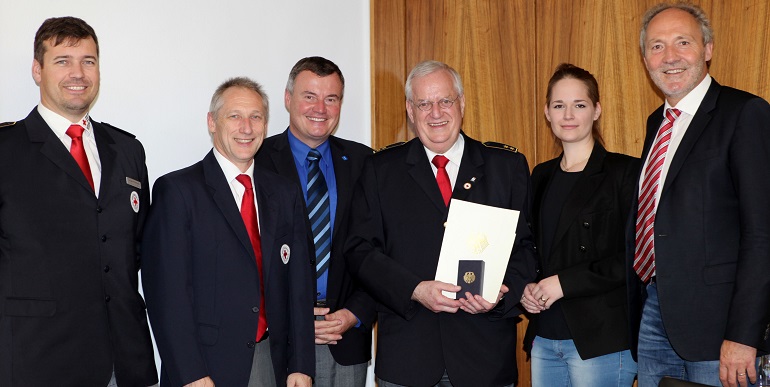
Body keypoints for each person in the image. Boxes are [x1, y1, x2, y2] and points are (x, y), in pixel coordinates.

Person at [344, 60, 538, 387]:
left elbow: (527, 249)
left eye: (445, 101)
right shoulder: (381, 170)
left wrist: (502, 295)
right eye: (424, 103)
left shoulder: (506, 167)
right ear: (410, 109)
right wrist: (414, 290)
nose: (436, 113)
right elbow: (360, 252)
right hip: (409, 357)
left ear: (461, 103)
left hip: (485, 357)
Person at [0, 16, 157, 387]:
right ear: (37, 70)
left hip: (125, 360)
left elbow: (136, 248)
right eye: (63, 61)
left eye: (88, 61)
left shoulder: (128, 149)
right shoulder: (6, 151)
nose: (78, 73)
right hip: (37, 360)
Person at [627, 3, 770, 387]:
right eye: (657, 46)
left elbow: (762, 235)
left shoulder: (745, 113)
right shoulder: (656, 123)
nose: (669, 57)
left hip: (720, 328)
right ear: (645, 59)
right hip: (655, 312)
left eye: (682, 43)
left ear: (707, 49)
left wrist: (743, 336)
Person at [141, 77, 314, 387]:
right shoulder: (178, 192)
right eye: (234, 116)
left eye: (256, 117)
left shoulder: (284, 193)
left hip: (271, 363)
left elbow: (298, 285)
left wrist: (301, 364)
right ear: (212, 122)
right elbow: (166, 294)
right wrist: (190, 373)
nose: (246, 127)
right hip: (205, 368)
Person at [254, 56, 374, 386]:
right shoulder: (256, 160)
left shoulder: (366, 162)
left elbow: (379, 251)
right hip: (276, 342)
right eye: (310, 96)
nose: (320, 108)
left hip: (344, 340)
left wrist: (354, 314)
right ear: (288, 98)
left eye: (331, 98)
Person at [520, 63, 639, 386]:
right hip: (545, 335)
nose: (568, 114)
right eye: (559, 105)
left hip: (601, 338)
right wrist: (527, 288)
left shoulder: (624, 172)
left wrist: (563, 284)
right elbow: (533, 249)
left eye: (579, 105)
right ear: (547, 112)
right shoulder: (540, 175)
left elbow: (635, 258)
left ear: (596, 110)